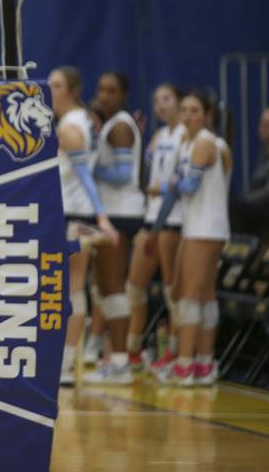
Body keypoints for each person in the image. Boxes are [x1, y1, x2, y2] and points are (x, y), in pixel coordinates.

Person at [151, 91, 231, 386]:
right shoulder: (187, 142)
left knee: (189, 295)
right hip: (194, 225)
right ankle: (204, 362)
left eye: (194, 110)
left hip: (207, 227)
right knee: (201, 295)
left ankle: (185, 363)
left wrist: (165, 185)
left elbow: (189, 185)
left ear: (207, 114)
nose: (187, 115)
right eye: (183, 109)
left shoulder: (207, 142)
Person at [48, 66, 118, 387]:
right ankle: (62, 361)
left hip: (73, 215)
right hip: (70, 212)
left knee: (70, 288)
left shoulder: (72, 126)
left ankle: (64, 363)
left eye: (58, 85)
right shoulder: (79, 120)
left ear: (72, 90)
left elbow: (87, 177)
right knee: (66, 288)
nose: (51, 90)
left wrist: (101, 216)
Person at [83, 70, 145, 385]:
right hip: (114, 212)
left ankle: (120, 362)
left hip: (121, 214)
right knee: (105, 287)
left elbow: (123, 174)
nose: (104, 95)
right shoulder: (111, 123)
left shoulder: (120, 125)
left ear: (123, 94)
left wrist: (88, 168)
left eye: (111, 90)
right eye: (101, 88)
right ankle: (114, 358)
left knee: (112, 287)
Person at [124, 84, 185, 372]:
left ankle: (174, 353)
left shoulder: (188, 136)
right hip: (150, 218)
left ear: (179, 102)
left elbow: (176, 185)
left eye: (166, 99)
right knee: (134, 288)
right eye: (155, 99)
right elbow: (144, 175)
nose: (160, 104)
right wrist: (137, 138)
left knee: (173, 292)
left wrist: (158, 224)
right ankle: (133, 351)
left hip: (173, 221)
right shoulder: (159, 135)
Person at [230, 108, 269, 240]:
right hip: (259, 206)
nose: (264, 128)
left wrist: (247, 200)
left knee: (236, 207)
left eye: (268, 124)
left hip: (264, 207)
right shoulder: (264, 150)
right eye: (262, 124)